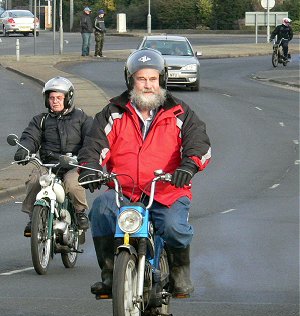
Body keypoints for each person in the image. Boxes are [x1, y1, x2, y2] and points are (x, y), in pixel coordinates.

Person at [78, 49, 211, 297]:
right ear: (131, 80)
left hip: (167, 190)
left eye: (153, 79)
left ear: (162, 80)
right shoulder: (113, 112)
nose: (147, 85)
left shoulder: (180, 112)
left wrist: (188, 166)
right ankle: (110, 275)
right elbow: (94, 143)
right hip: (123, 190)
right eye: (141, 79)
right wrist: (91, 167)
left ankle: (179, 272)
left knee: (174, 227)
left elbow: (199, 144)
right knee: (101, 210)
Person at [14, 76, 93, 237]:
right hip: (48, 165)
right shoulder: (41, 120)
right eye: (51, 98)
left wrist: (87, 159)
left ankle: (80, 213)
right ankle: (33, 216)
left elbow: (91, 140)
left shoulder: (82, 118)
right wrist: (23, 149)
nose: (55, 101)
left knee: (72, 183)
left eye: (59, 98)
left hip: (73, 164)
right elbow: (30, 137)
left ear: (68, 98)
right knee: (35, 179)